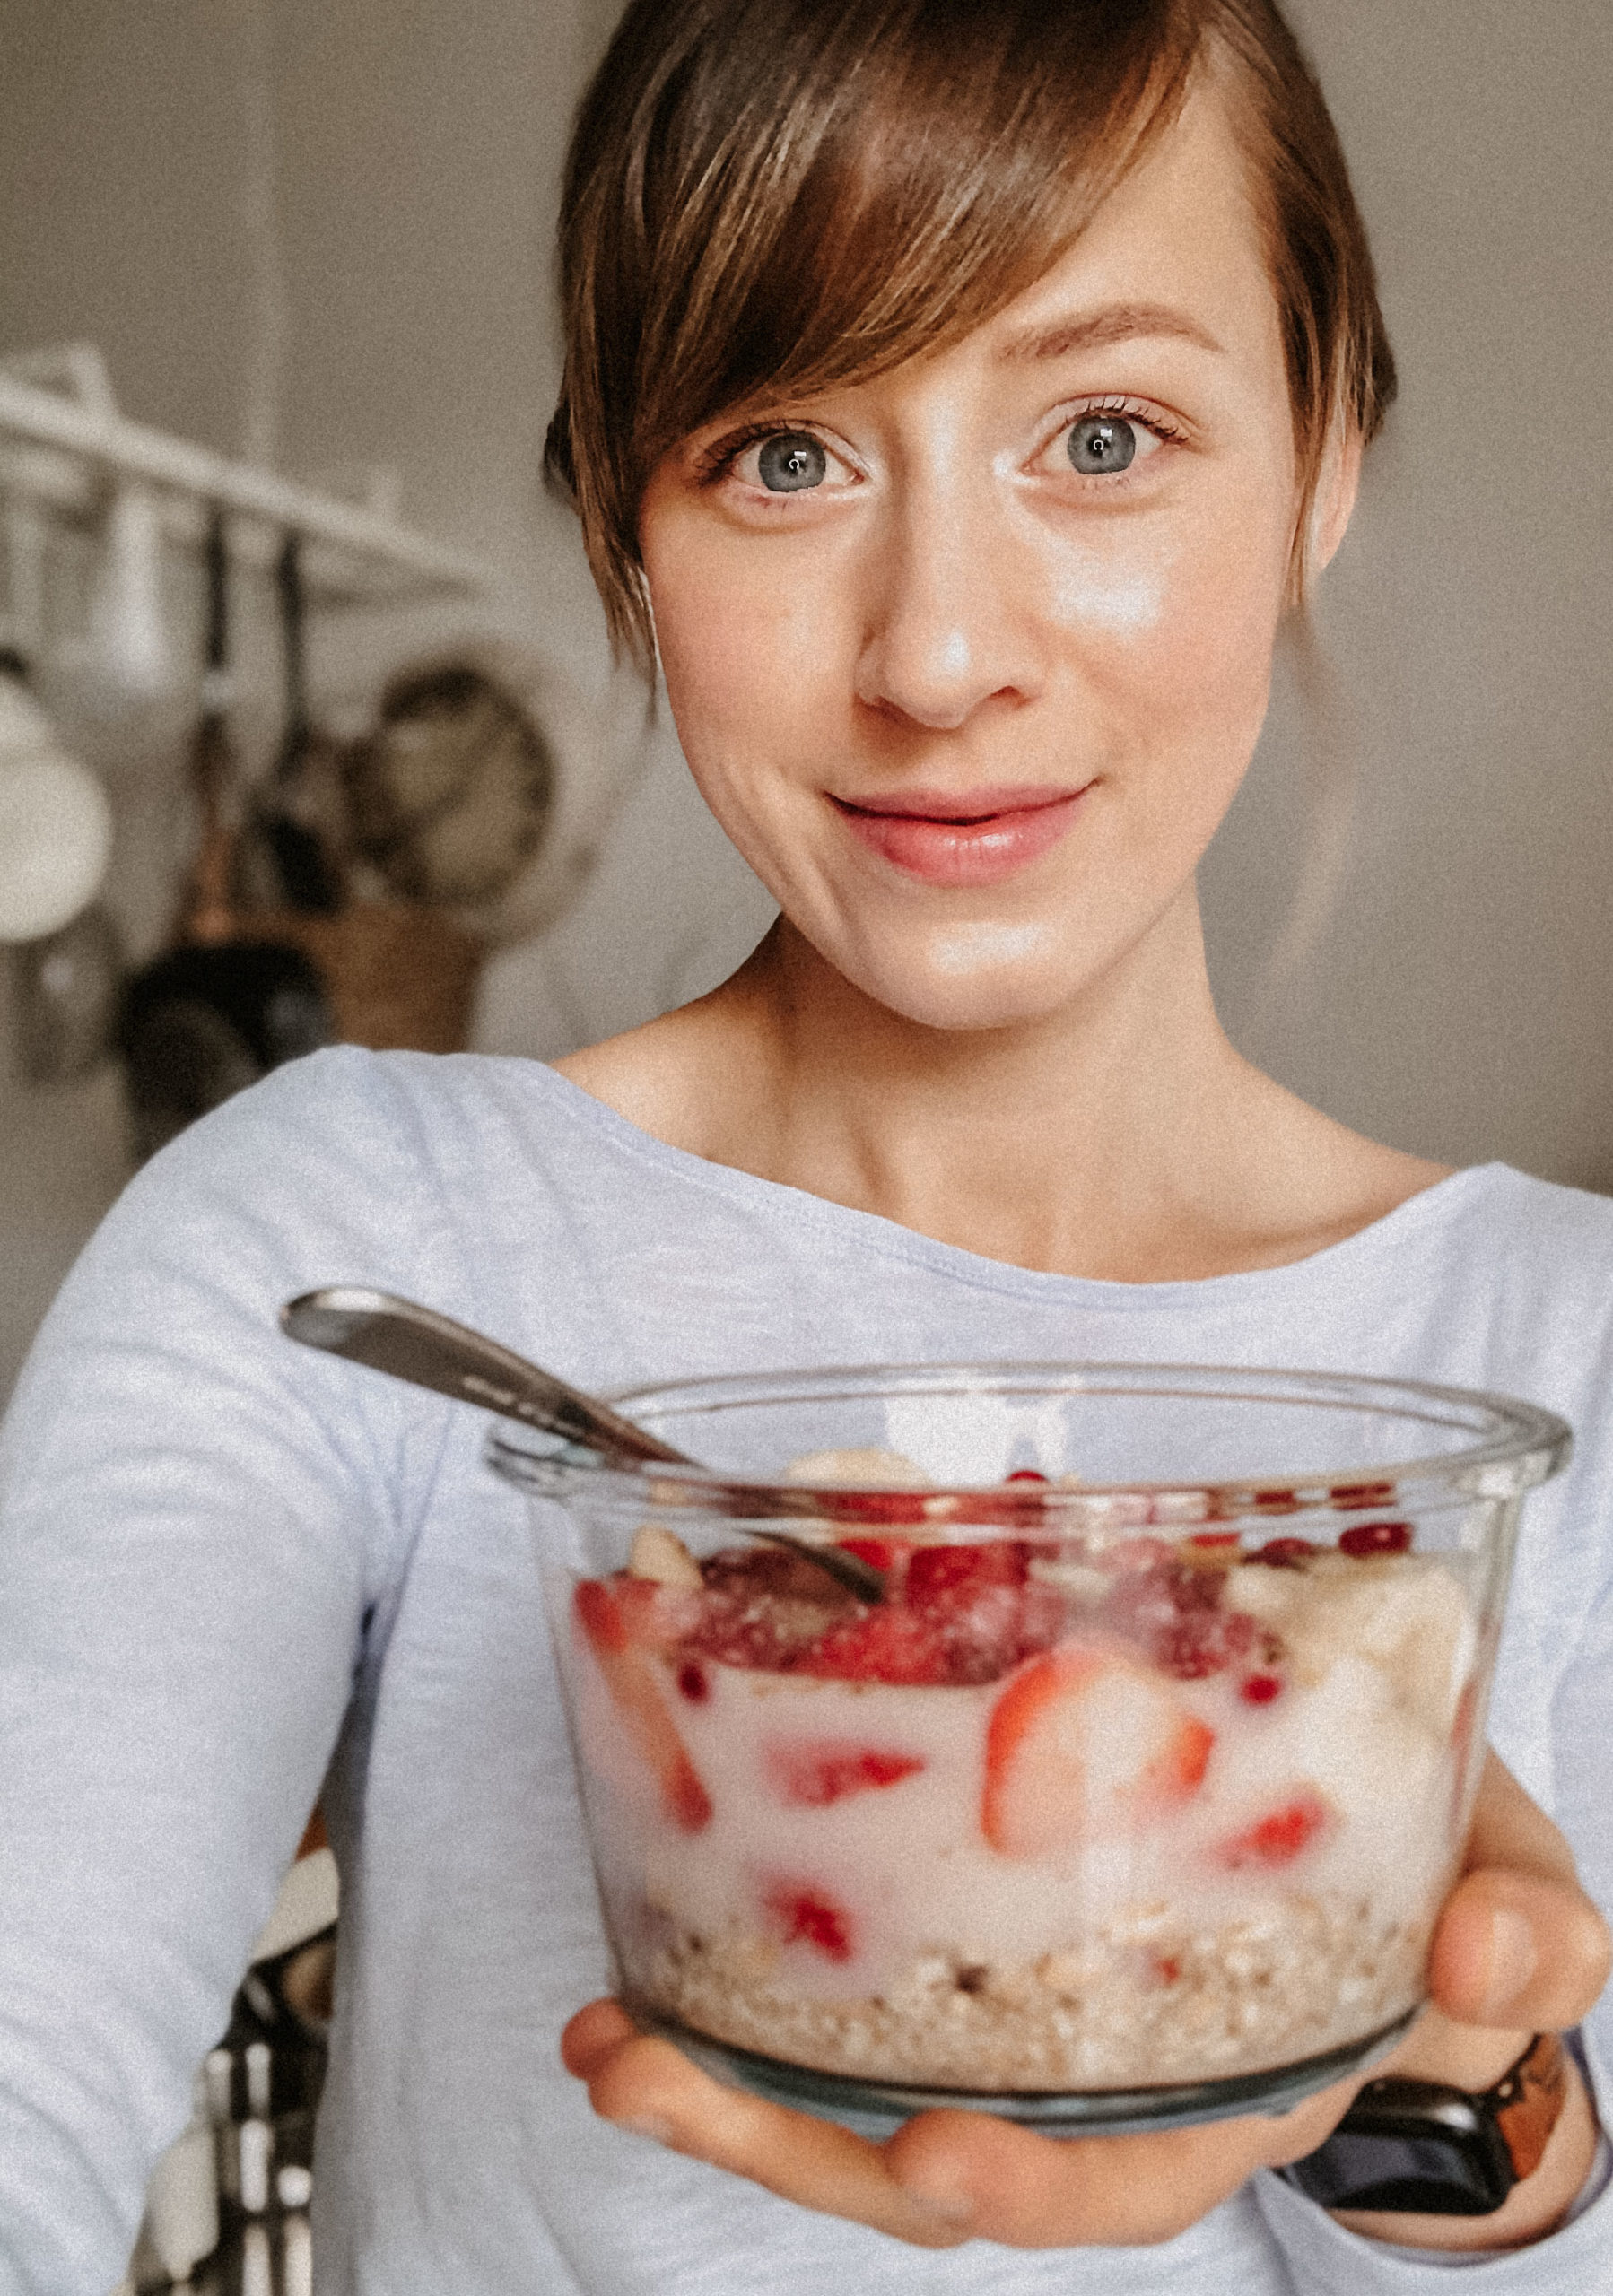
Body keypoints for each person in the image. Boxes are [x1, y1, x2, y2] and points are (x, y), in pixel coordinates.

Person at [0, 0, 1608, 2290]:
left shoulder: (1555, 1354)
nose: (939, 650)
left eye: (1105, 429)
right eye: (779, 456)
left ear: (1322, 451)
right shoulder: (348, 1232)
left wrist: (1451, 2084)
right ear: (618, 528)